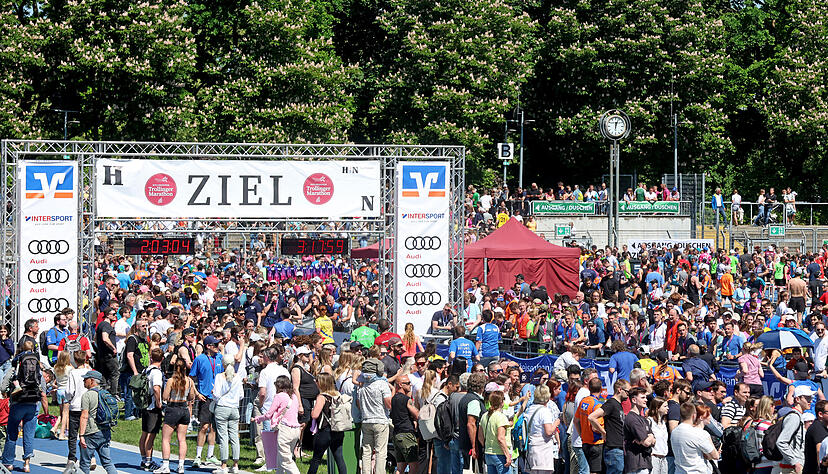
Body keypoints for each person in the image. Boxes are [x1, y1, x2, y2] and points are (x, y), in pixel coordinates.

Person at [0, 340, 47, 473]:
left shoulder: (16, 365)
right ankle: (27, 463)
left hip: (18, 402)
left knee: (12, 432)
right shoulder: (37, 364)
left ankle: (8, 462)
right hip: (33, 403)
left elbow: (3, 386)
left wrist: (9, 390)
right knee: (29, 434)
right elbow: (43, 386)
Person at [254, 376, 301, 474]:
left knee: (286, 461)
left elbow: (269, 414)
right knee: (281, 458)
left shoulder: (279, 396)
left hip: (285, 430)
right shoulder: (294, 396)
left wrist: (258, 419)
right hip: (296, 430)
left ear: (278, 386)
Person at [155, 358, 195, 474]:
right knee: (182, 439)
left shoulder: (171, 381)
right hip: (184, 408)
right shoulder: (189, 381)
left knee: (166, 438)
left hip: (173, 408)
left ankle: (165, 465)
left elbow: (165, 396)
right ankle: (181, 465)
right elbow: (191, 397)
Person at [190, 335, 223, 467]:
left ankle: (210, 455)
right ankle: (198, 456)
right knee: (204, 426)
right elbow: (191, 378)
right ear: (208, 346)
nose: (217, 347)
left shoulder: (220, 358)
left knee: (213, 428)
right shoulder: (200, 359)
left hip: (218, 397)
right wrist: (197, 393)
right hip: (205, 396)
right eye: (215, 345)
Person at [77, 370, 118, 474]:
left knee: (85, 463)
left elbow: (84, 416)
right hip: (105, 431)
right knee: (107, 462)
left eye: (85, 379)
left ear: (92, 381)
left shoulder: (87, 395)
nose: (83, 380)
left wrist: (81, 435)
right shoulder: (105, 394)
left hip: (91, 432)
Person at [358, 358, 392, 474]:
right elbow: (388, 404)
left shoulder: (362, 386)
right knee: (380, 452)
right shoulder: (382, 384)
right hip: (380, 420)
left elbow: (359, 404)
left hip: (366, 420)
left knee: (366, 451)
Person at [307, 373, 347, 474]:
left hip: (326, 431)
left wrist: (312, 410)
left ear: (321, 383)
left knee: (316, 458)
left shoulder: (322, 397)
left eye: (317, 381)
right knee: (339, 458)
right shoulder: (337, 395)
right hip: (338, 429)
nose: (315, 382)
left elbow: (315, 415)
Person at [212, 355, 245, 474]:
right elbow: (241, 395)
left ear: (224, 364)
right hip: (234, 408)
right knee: (234, 436)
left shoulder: (219, 377)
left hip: (222, 407)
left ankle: (224, 465)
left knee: (223, 437)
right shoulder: (238, 377)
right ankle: (235, 465)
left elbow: (216, 394)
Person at [587, 379, 629, 474]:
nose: (628, 394)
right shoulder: (611, 403)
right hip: (613, 449)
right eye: (627, 391)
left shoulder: (618, 405)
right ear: (619, 389)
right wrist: (603, 432)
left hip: (618, 448)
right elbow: (592, 417)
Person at [670, 403, 719, 474]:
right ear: (694, 415)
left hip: (679, 471)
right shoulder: (698, 433)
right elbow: (715, 456)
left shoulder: (674, 431)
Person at [140, 347, 165, 471]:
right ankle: (148, 462)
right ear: (162, 359)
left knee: (144, 433)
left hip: (144, 404)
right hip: (152, 406)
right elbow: (156, 388)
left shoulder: (146, 370)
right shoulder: (157, 372)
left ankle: (144, 459)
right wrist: (159, 403)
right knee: (151, 435)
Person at [525, 385, 560, 474]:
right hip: (543, 449)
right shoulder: (545, 411)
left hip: (532, 447)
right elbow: (548, 431)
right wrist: (556, 423)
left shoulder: (530, 409)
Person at [778, 385, 811, 474]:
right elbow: (781, 442)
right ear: (797, 399)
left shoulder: (797, 416)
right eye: (807, 398)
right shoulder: (794, 417)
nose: (810, 401)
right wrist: (795, 462)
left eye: (811, 398)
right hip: (792, 468)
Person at [391, 374, 420, 474]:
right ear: (400, 385)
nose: (410, 385)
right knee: (414, 466)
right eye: (407, 383)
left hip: (397, 434)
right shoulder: (406, 400)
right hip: (407, 435)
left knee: (400, 467)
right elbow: (417, 415)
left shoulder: (394, 399)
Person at [574, 377, 604, 474]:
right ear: (601, 389)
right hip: (596, 442)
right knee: (594, 472)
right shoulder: (597, 405)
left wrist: (582, 434)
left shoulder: (584, 401)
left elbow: (575, 421)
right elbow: (595, 428)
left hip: (585, 442)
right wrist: (604, 432)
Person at [478, 390, 512, 474]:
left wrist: (487, 445)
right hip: (500, 454)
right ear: (501, 402)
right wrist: (507, 455)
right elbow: (501, 438)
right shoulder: (501, 417)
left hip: (488, 453)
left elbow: (480, 436)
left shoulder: (484, 416)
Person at [460, 372, 487, 474]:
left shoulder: (466, 398)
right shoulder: (474, 401)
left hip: (466, 443)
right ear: (482, 386)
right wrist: (474, 447)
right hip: (472, 445)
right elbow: (471, 424)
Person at [623, 387, 654, 474]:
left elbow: (654, 441)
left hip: (645, 462)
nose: (646, 400)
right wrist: (648, 438)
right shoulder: (632, 418)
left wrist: (649, 437)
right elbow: (647, 443)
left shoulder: (643, 419)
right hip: (636, 465)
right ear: (634, 400)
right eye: (643, 397)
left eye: (646, 397)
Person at [804, 400, 828, 474]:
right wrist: (822, 471)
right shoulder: (818, 428)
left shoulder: (821, 427)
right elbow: (819, 450)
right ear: (820, 414)